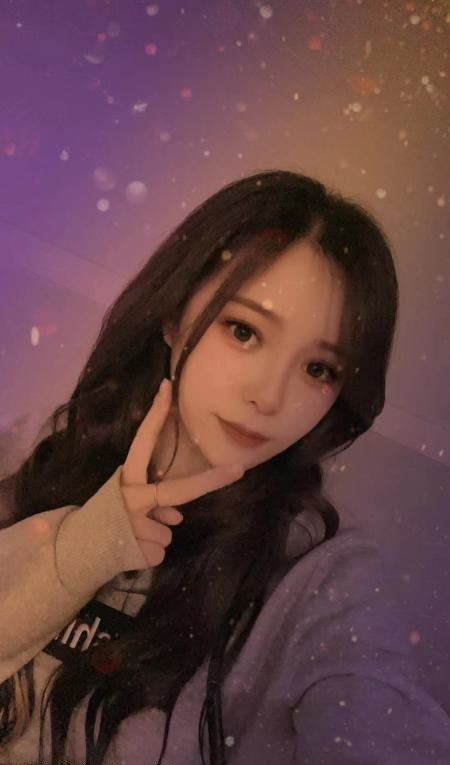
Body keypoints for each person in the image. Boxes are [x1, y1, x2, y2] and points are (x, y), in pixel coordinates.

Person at [0, 169, 448, 765]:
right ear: (173, 316)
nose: (269, 395)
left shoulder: (320, 580)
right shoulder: (38, 457)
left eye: (318, 369)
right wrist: (86, 546)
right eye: (244, 331)